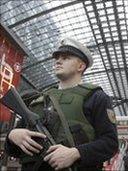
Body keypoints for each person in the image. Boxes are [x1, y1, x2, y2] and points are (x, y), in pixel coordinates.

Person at [4, 38, 118, 171]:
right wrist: (12, 136)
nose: (58, 61)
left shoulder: (96, 97)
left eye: (66, 58)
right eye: (57, 58)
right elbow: (12, 150)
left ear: (81, 66)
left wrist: (76, 153)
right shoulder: (39, 99)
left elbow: (110, 143)